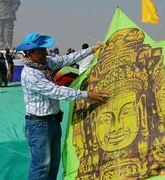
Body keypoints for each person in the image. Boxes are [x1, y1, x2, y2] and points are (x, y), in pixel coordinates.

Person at [16, 32, 109, 180]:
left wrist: (93, 49)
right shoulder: (31, 74)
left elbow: (67, 59)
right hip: (39, 125)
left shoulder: (45, 64)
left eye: (44, 50)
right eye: (40, 51)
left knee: (53, 165)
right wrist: (87, 94)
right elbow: (56, 91)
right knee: (40, 167)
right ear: (30, 53)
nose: (45, 53)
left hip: (52, 122)